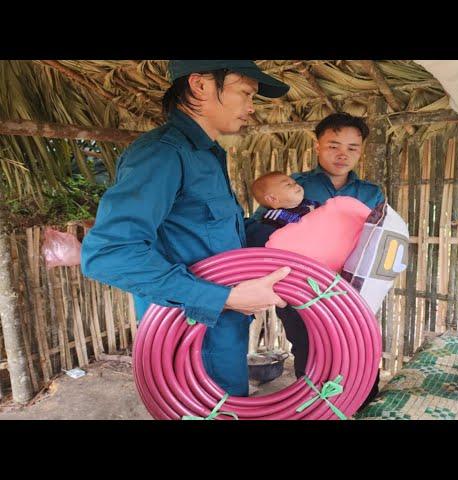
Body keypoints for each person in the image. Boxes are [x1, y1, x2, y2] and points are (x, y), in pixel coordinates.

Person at [81, 60, 292, 397]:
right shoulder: (162, 153)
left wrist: (297, 228)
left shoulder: (206, 155)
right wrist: (228, 297)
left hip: (222, 334)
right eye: (245, 93)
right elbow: (109, 255)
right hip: (190, 342)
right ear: (201, 85)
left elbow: (218, 238)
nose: (251, 108)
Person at [246, 112, 385, 410]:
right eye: (333, 145)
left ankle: (362, 406)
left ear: (361, 150)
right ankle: (317, 410)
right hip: (301, 292)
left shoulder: (371, 193)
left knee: (360, 349)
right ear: (317, 146)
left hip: (350, 291)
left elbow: (379, 240)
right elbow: (258, 232)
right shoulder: (292, 186)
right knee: (311, 351)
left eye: (352, 147)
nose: (342, 154)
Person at [246, 171, 320, 248]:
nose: (296, 185)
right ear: (273, 199)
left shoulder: (310, 203)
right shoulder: (275, 216)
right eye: (288, 185)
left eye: (294, 182)